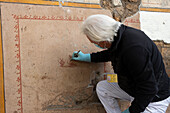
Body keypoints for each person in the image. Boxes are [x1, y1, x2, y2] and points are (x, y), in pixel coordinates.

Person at [71, 14, 170, 113]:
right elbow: (112, 53)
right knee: (103, 88)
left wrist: (131, 111)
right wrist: (88, 57)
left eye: (96, 43)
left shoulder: (134, 49)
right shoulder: (119, 36)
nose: (96, 45)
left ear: (104, 39)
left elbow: (149, 89)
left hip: (153, 99)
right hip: (133, 89)